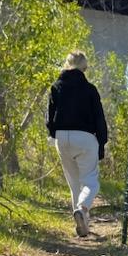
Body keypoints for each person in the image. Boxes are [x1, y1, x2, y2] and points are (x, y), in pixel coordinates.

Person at [47, 51, 108, 238]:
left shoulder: (56, 87)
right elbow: (99, 119)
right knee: (90, 182)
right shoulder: (90, 89)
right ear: (84, 68)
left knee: (74, 183)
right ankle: (82, 209)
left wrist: (53, 135)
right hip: (85, 138)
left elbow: (49, 118)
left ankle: (83, 225)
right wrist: (101, 144)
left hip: (62, 137)